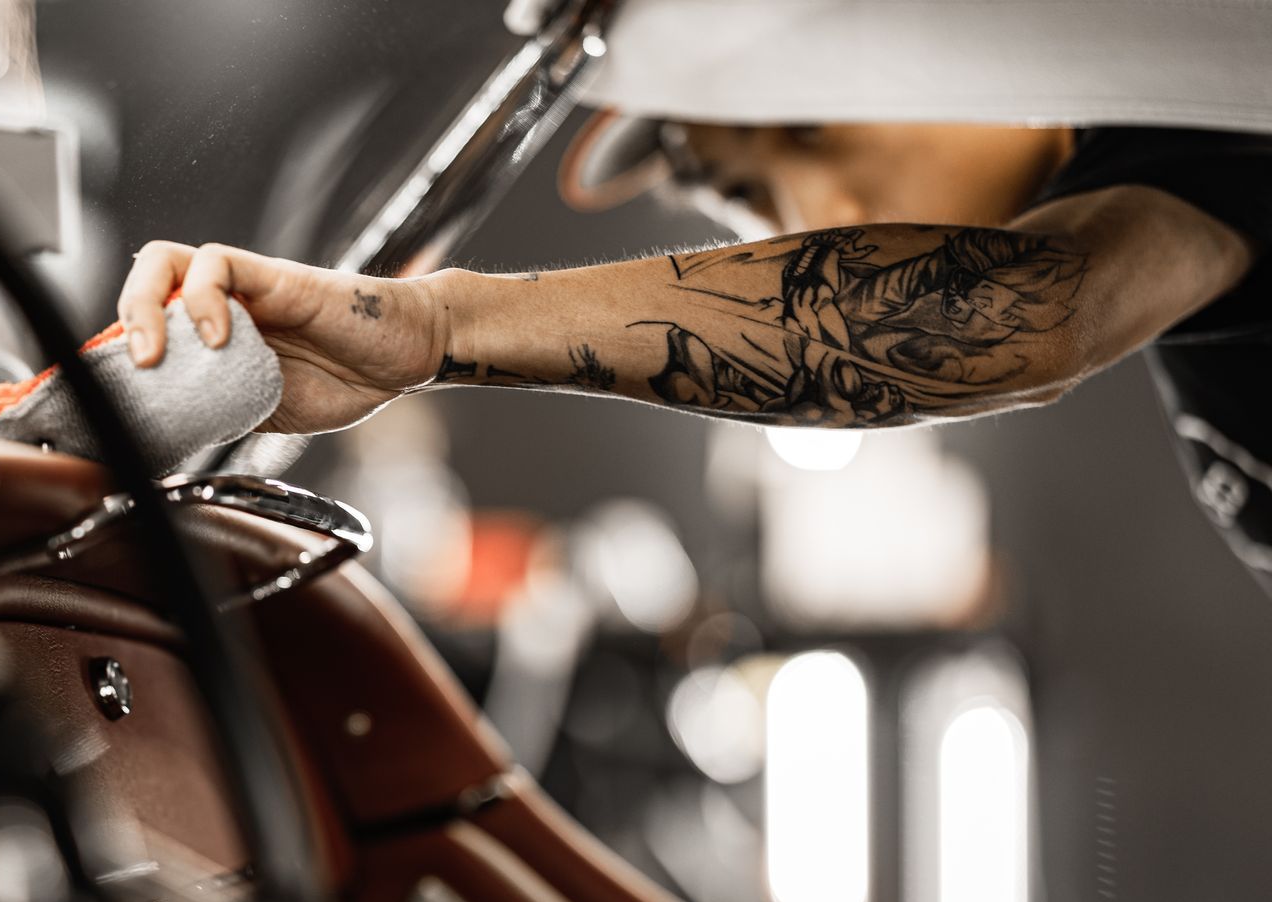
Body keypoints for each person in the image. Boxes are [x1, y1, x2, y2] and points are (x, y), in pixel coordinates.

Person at [113, 121, 1272, 588]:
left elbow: (1013, 313)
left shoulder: (1217, 118)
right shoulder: (1173, 172)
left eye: (768, 172)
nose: (790, 232)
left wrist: (437, 326)